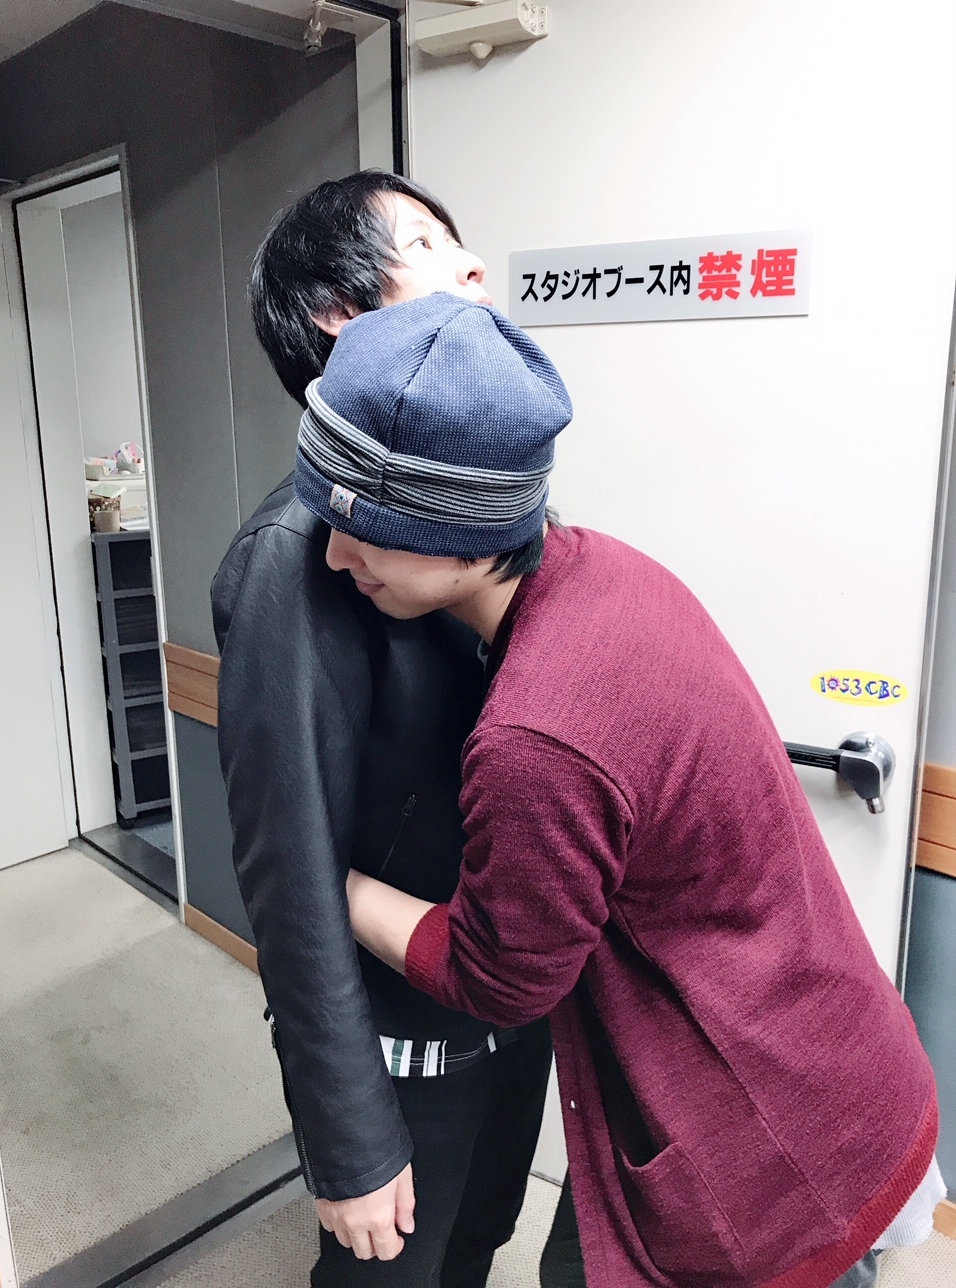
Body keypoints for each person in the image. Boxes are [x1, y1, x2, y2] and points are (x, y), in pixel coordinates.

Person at [289, 290, 946, 1288]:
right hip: (833, 1063)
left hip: (772, 1138)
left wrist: (330, 887)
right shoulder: (608, 570)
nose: (336, 556)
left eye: (363, 530)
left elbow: (501, 978)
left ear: (464, 532)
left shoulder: (537, 737)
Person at [212, 171, 552, 1286]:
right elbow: (289, 871)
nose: (474, 267)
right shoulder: (297, 557)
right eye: (429, 246)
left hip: (509, 1018)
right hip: (405, 1049)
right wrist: (348, 1136)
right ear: (339, 316)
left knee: (478, 1247)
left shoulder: (483, 502)